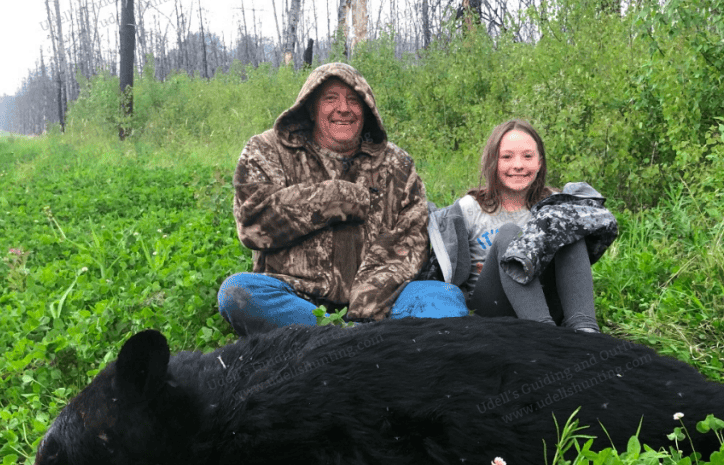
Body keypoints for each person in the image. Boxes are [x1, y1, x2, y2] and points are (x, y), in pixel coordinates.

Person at [218, 62, 461, 335]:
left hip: (383, 302)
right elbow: (254, 224)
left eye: (353, 100)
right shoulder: (267, 149)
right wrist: (337, 197)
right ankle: (357, 342)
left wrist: (365, 309)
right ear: (310, 107)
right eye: (330, 99)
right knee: (237, 292)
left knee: (443, 300)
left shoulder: (397, 164)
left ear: (367, 109)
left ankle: (343, 340)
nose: (343, 108)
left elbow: (408, 243)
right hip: (297, 298)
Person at [423, 119, 618, 332]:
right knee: (509, 233)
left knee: (569, 223)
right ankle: (543, 332)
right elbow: (449, 272)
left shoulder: (554, 204)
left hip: (546, 297)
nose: (518, 165)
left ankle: (584, 328)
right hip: (493, 305)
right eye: (507, 157)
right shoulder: (468, 208)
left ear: (540, 162)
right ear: (493, 161)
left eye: (528, 156)